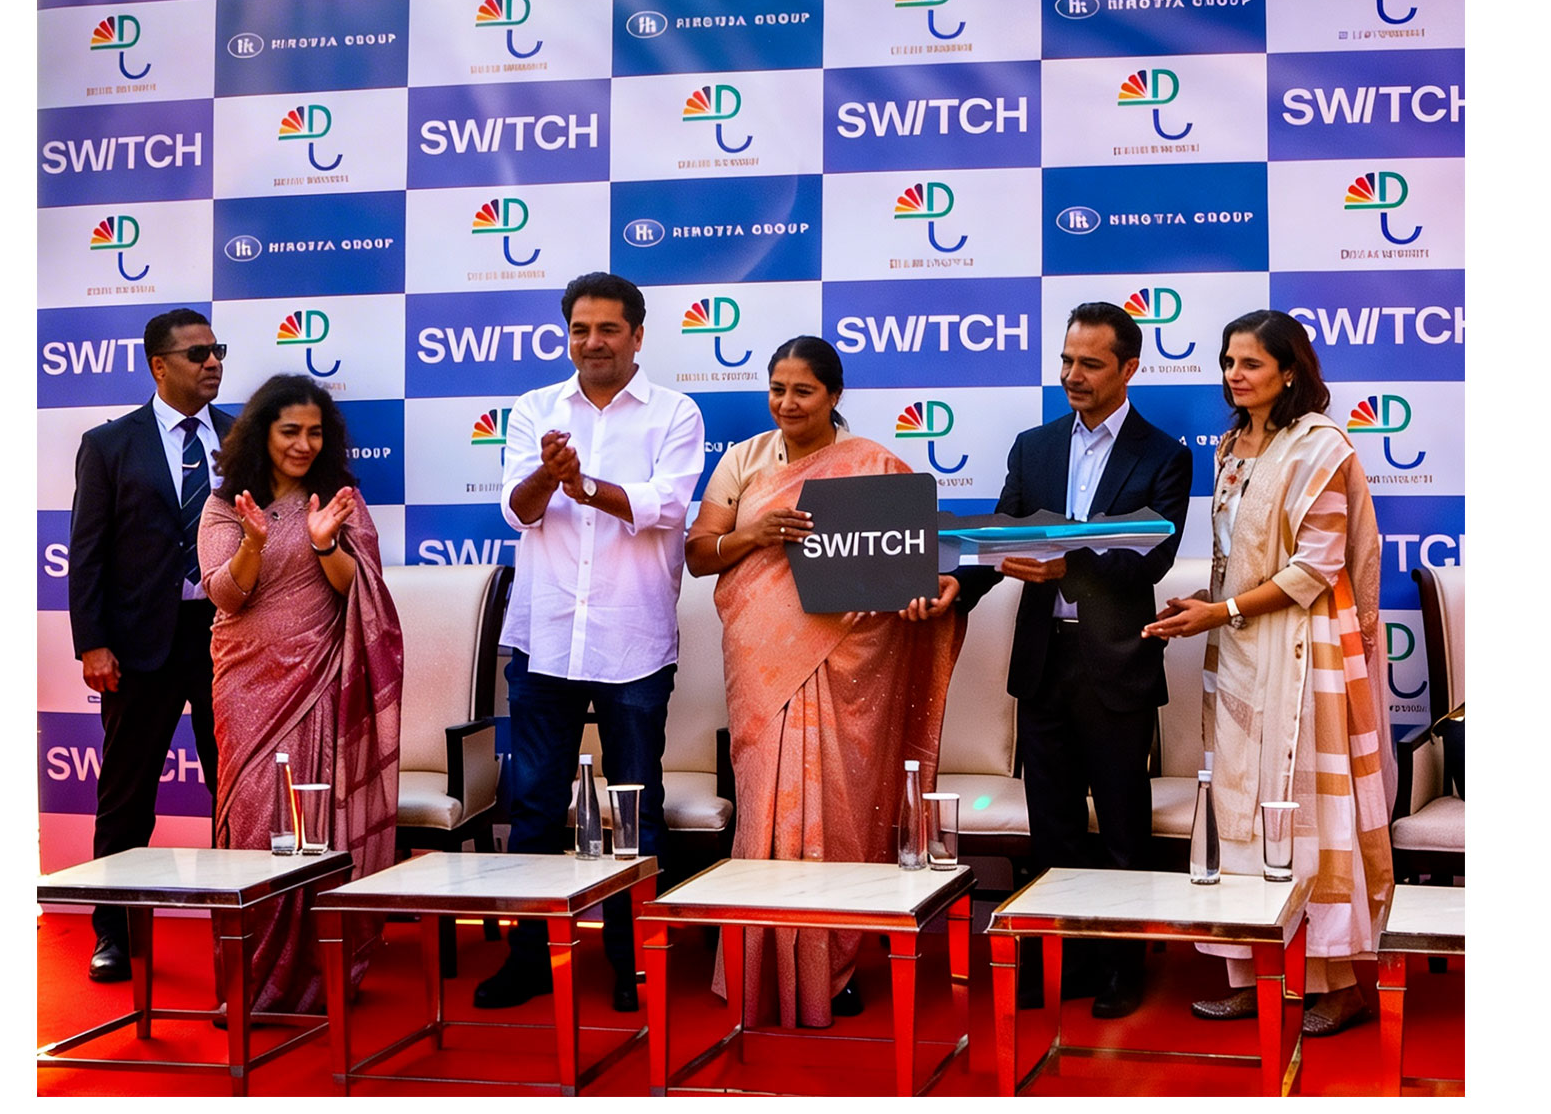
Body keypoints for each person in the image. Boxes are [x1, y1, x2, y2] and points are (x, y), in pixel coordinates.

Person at [684, 335, 964, 1029]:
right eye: (777, 389)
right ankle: (758, 967)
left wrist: (933, 590)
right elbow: (699, 554)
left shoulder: (873, 464)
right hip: (763, 660)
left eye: (803, 391)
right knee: (766, 806)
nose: (787, 403)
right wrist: (755, 534)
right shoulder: (743, 460)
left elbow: (916, 560)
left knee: (841, 810)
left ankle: (832, 965)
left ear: (834, 395)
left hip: (853, 667)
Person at [1143, 309, 1394, 1036]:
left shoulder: (1321, 447)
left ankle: (1337, 984)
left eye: (1250, 362)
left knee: (1305, 810)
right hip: (1241, 651)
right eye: (1228, 361)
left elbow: (1314, 570)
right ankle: (1255, 974)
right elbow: (1239, 561)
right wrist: (1208, 603)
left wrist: (1219, 612)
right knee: (1239, 807)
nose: (1234, 374)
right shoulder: (1231, 447)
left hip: (1305, 653)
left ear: (1290, 371)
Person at [473, 272, 705, 1015]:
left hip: (633, 641)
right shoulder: (534, 409)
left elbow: (666, 506)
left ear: (638, 335)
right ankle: (531, 958)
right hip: (545, 641)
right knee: (536, 806)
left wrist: (587, 487)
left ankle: (633, 963)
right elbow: (518, 509)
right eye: (580, 329)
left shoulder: (675, 412)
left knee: (636, 809)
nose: (593, 342)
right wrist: (550, 474)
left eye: (608, 329)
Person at [957, 302, 1192, 1020]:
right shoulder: (1033, 447)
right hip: (1043, 661)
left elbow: (1150, 561)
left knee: (1122, 830)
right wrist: (954, 587)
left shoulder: (1165, 455)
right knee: (1052, 830)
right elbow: (1001, 539)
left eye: (1090, 363)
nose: (1071, 375)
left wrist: (1069, 564)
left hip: (1116, 664)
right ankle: (1058, 962)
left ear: (1129, 368)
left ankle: (1121, 967)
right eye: (1065, 360)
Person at [197, 373, 403, 1014]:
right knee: (256, 822)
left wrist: (324, 541)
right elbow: (227, 594)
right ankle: (253, 981)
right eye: (291, 431)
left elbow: (359, 590)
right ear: (263, 433)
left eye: (315, 432)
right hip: (247, 685)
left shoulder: (340, 501)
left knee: (313, 826)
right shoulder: (226, 505)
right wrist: (254, 542)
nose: (303, 444)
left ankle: (314, 977)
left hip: (318, 681)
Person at [69, 308, 231, 983]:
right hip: (139, 647)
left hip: (228, 642)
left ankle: (241, 934)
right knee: (127, 797)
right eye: (198, 354)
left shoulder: (243, 438)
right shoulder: (109, 444)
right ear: (159, 365)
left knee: (235, 794)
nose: (213, 363)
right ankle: (113, 931)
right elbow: (87, 552)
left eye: (218, 351)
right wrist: (92, 643)